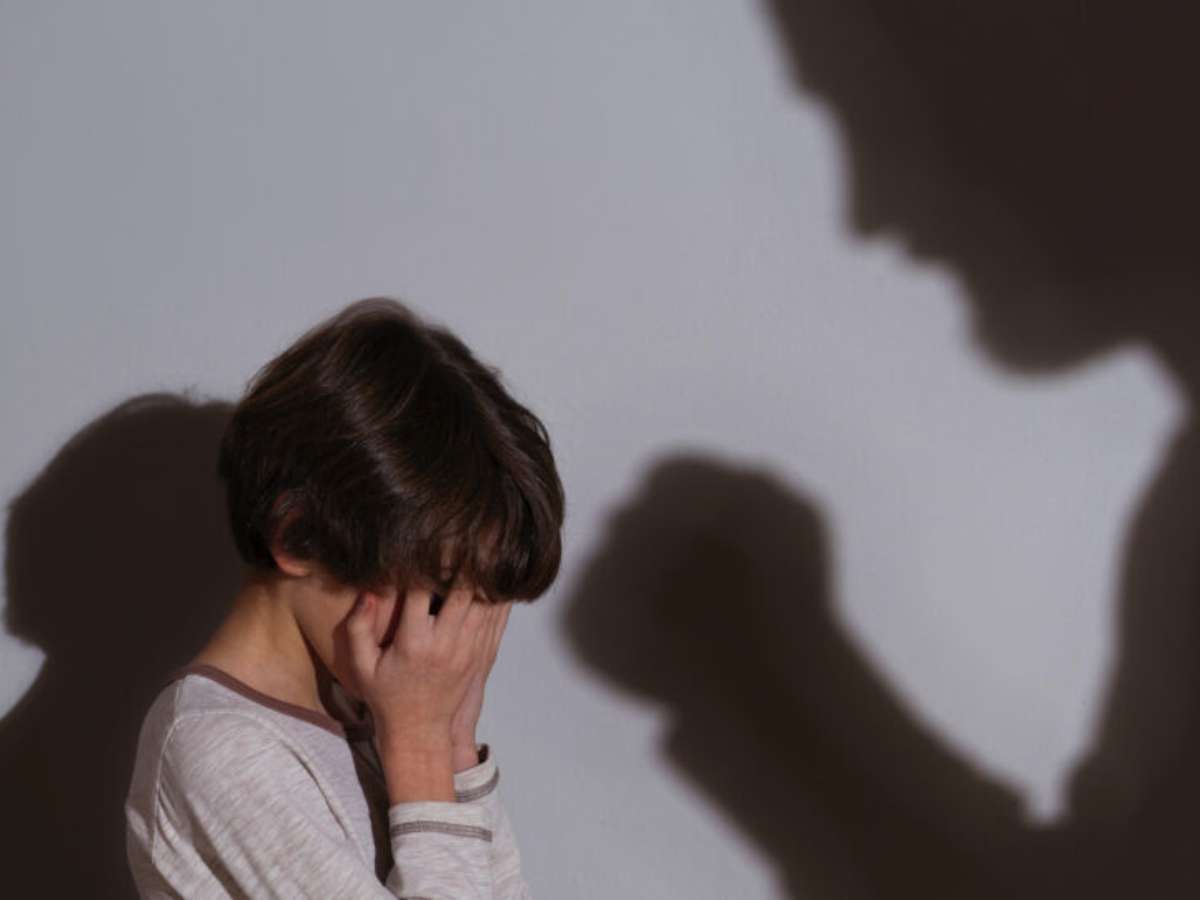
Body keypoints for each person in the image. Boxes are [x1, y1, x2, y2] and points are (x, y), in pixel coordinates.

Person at [124, 297, 565, 898]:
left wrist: (456, 746)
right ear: (297, 536)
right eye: (438, 597)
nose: (451, 643)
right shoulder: (219, 746)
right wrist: (420, 748)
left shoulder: (378, 708)